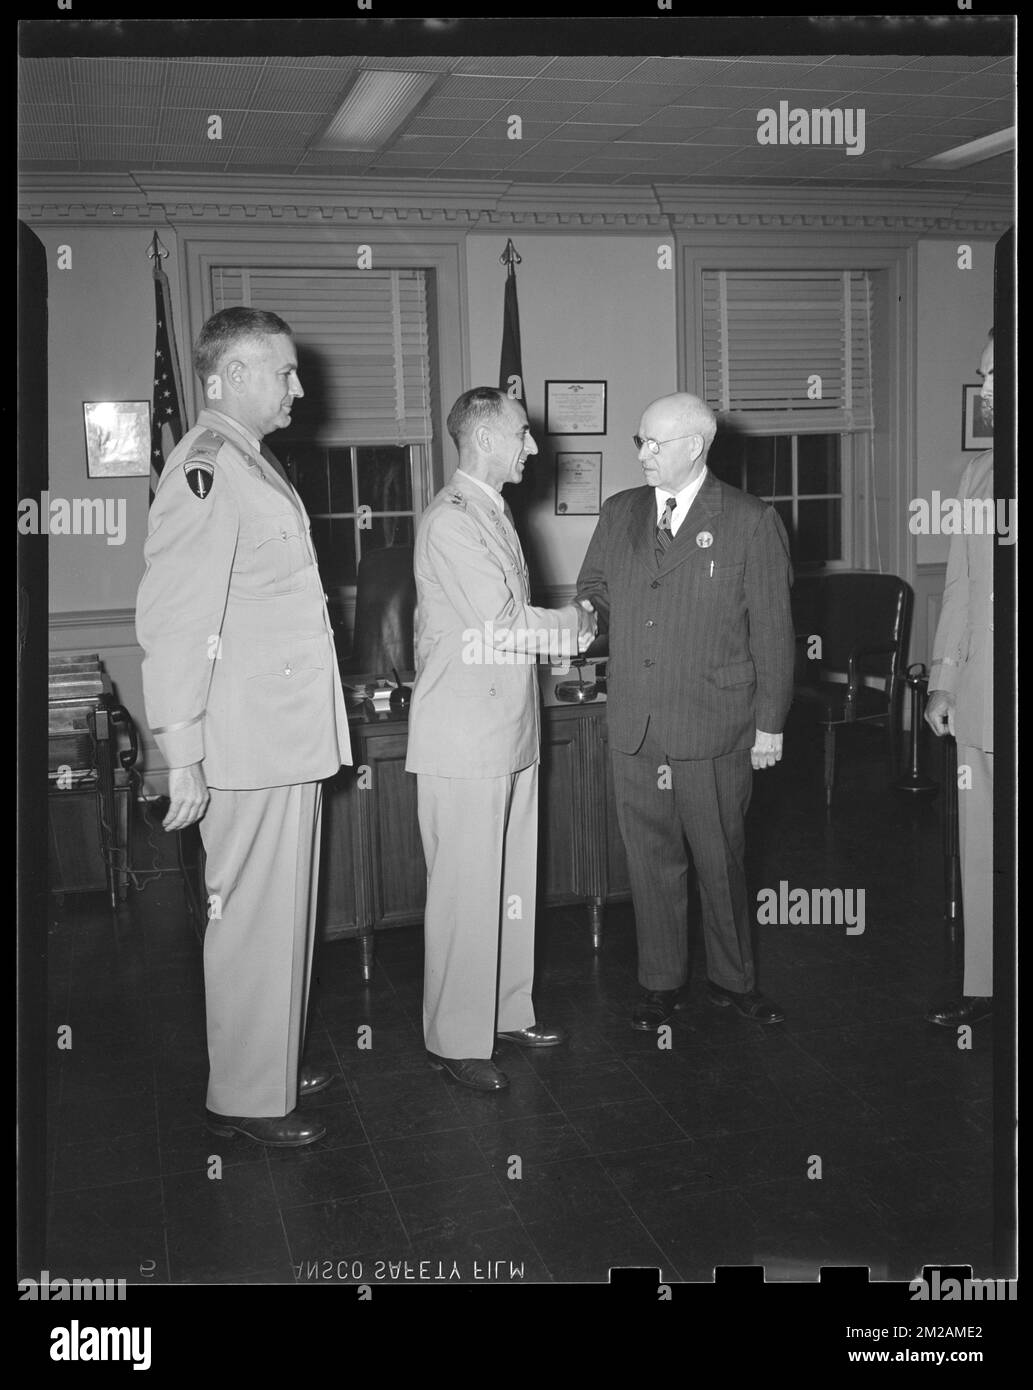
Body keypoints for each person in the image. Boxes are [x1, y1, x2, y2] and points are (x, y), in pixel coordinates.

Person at [135, 307, 352, 1146]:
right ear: (228, 377)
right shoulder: (206, 467)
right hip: (245, 740)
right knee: (250, 921)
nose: (299, 385)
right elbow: (177, 618)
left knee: (284, 913)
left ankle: (270, 1057)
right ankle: (246, 1097)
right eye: (285, 371)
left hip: (284, 732)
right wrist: (181, 753)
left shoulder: (253, 464)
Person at [577, 392, 794, 1030]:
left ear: (694, 447)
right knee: (650, 860)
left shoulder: (751, 521)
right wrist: (585, 619)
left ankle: (733, 980)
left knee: (720, 859)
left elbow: (776, 633)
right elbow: (595, 590)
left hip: (715, 724)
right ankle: (661, 981)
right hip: (636, 725)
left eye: (654, 443)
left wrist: (770, 725)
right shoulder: (620, 513)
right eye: (638, 442)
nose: (642, 453)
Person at [405, 387, 596, 1092]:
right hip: (463, 734)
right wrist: (576, 624)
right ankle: (454, 1039)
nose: (532, 446)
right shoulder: (451, 521)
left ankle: (507, 1010)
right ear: (484, 438)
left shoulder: (492, 511)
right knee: (463, 889)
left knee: (512, 881)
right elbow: (503, 624)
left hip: (506, 726)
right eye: (521, 433)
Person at [924, 331, 995, 1027]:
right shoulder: (978, 475)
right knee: (981, 849)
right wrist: (942, 681)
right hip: (980, 697)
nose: (987, 389)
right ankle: (984, 989)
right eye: (982, 375)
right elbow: (961, 588)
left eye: (999, 374)